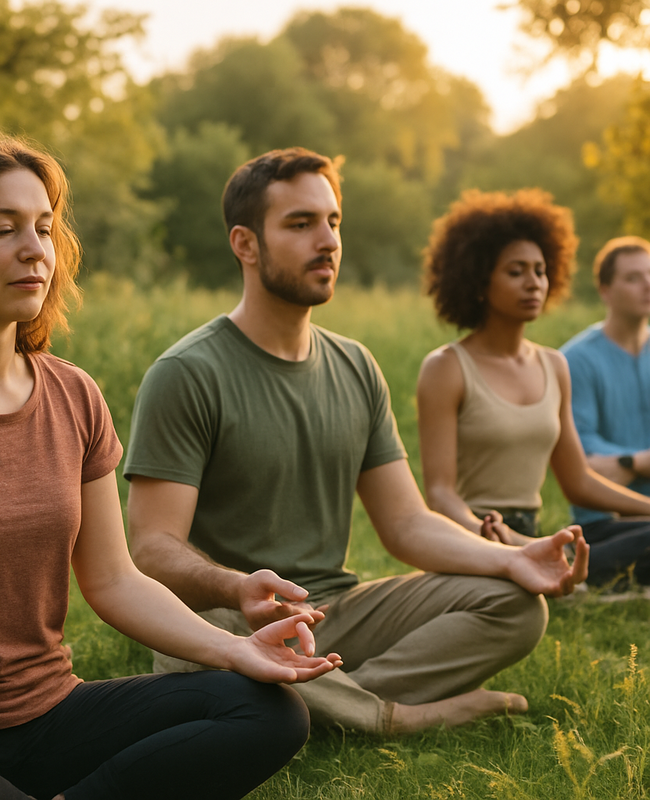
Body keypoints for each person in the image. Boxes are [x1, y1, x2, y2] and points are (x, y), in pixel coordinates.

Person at [0, 137, 343, 800]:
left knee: (265, 710)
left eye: (45, 229)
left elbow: (113, 580)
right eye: (3, 230)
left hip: (53, 716)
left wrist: (234, 650)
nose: (35, 250)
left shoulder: (73, 396)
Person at [123, 148, 589, 738]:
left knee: (517, 604)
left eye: (333, 221)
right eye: (300, 224)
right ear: (245, 244)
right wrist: (235, 586)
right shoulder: (188, 372)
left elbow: (407, 525)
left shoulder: (356, 365)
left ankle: (321, 700)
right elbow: (153, 548)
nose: (327, 240)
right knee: (196, 645)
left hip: (336, 609)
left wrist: (512, 557)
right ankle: (386, 715)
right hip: (235, 616)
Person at [417, 190, 650, 592]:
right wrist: (485, 533)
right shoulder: (446, 368)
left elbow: (577, 480)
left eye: (540, 270)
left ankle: (573, 577)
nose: (533, 283)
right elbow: (439, 493)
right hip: (471, 541)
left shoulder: (553, 365)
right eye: (516, 271)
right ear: (478, 280)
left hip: (532, 537)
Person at [560, 236, 650, 587]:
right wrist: (642, 461)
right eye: (633, 278)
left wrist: (625, 464)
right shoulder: (575, 361)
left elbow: (604, 461)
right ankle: (571, 567)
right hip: (605, 523)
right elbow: (583, 462)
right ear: (605, 290)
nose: (647, 285)